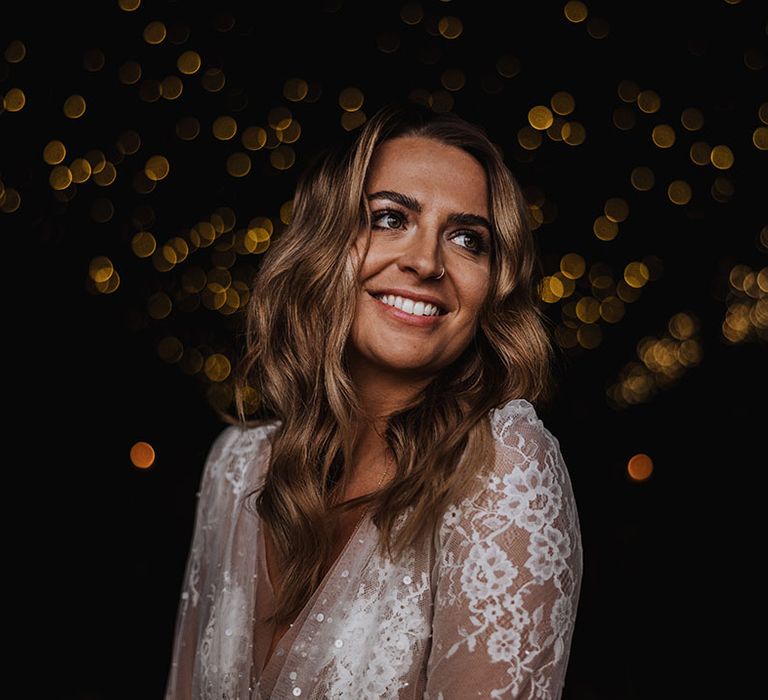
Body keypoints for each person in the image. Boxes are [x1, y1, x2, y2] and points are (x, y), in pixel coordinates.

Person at [163, 102, 583, 699]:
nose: (425, 262)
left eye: (467, 239)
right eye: (390, 219)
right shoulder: (235, 468)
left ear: (494, 286)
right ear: (324, 245)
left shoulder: (503, 469)